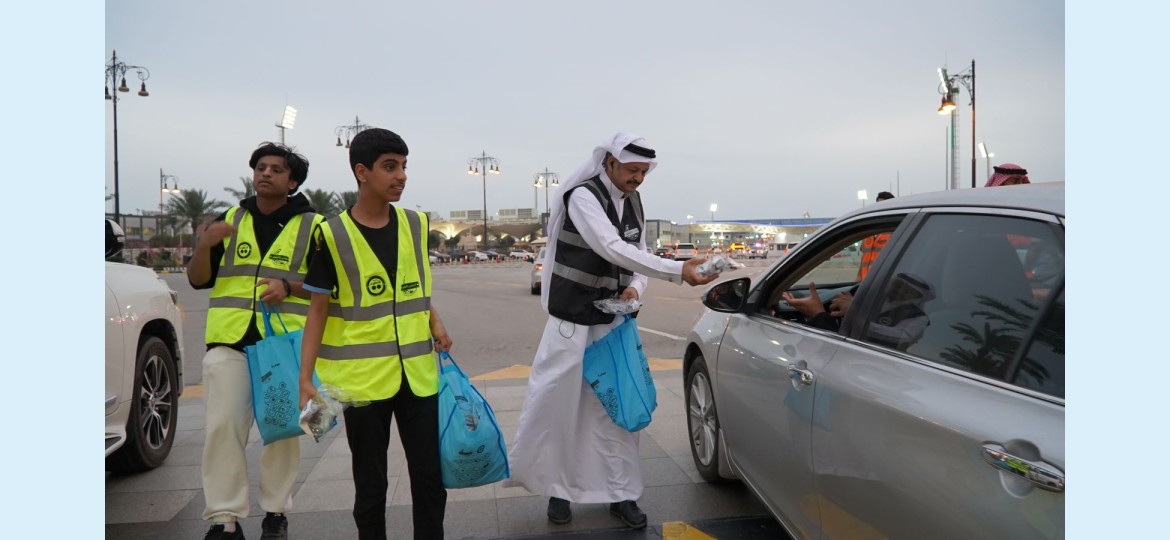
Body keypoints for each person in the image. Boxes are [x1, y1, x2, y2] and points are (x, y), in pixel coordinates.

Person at [502, 132, 719, 529]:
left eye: (644, 172)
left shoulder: (634, 200)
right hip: (571, 326)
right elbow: (610, 247)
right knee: (561, 408)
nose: (638, 178)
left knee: (615, 411)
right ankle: (559, 491)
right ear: (610, 162)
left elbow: (637, 254)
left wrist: (637, 286)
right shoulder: (583, 197)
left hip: (613, 325)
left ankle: (622, 493)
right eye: (632, 170)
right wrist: (677, 270)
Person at [297, 128, 453, 540]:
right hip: (363, 382)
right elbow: (317, 311)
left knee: (430, 478)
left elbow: (411, 287)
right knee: (370, 485)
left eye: (403, 166)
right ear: (361, 172)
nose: (401, 176)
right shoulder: (332, 235)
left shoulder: (416, 224)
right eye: (390, 166)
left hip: (417, 376)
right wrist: (304, 378)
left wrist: (434, 319)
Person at [187, 142, 321, 540]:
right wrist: (205, 244)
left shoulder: (314, 226)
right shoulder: (229, 219)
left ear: (292, 182)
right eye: (260, 167)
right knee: (222, 429)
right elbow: (197, 279)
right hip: (228, 343)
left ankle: (275, 513)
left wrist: (289, 287)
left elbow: (328, 287)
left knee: (284, 431)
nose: (265, 173)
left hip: (284, 345)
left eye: (276, 169)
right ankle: (224, 519)